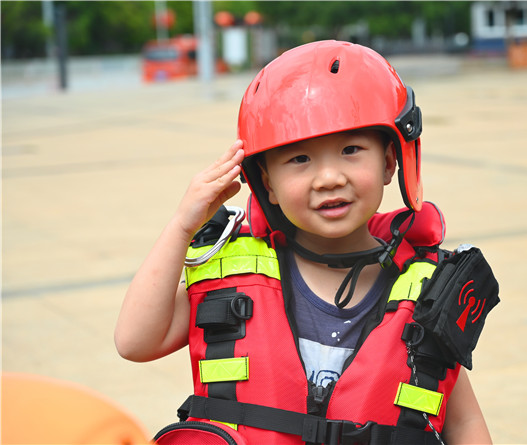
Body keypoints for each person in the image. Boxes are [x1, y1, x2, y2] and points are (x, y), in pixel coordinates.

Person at [115, 40, 495, 445]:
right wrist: (181, 227)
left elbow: (463, 422)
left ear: (389, 162)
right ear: (267, 183)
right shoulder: (231, 277)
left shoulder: (428, 294)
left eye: (351, 150)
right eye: (300, 159)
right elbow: (135, 342)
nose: (329, 177)